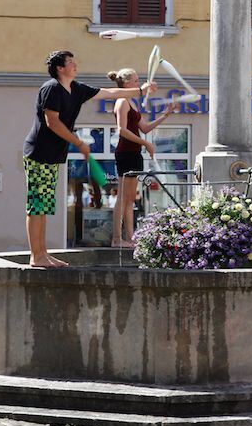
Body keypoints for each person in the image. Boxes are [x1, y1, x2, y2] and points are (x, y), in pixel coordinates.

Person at [22, 51, 155, 268]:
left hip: (53, 155)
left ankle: (42, 254)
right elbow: (52, 122)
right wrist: (79, 142)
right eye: (70, 62)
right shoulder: (52, 88)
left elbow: (110, 91)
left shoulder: (77, 89)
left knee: (44, 206)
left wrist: (141, 90)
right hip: (38, 153)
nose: (75, 64)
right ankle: (36, 256)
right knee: (36, 205)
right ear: (60, 68)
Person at [108, 68, 177, 248]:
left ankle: (130, 239)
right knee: (122, 197)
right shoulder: (122, 101)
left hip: (134, 153)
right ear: (127, 83)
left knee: (130, 198)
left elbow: (145, 128)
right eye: (137, 80)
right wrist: (145, 143)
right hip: (125, 152)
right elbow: (121, 130)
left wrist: (165, 115)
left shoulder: (132, 103)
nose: (139, 83)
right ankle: (116, 239)